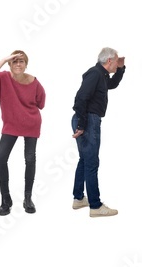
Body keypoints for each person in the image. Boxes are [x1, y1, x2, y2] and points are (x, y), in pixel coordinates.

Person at [0, 50, 46, 216]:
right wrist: (4, 59)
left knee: (30, 158)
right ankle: (5, 199)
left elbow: (41, 102)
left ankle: (28, 198)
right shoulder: (3, 78)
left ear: (26, 64)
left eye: (21, 62)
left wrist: (26, 109)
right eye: (14, 62)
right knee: (1, 157)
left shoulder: (34, 81)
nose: (18, 64)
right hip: (11, 125)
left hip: (31, 124)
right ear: (10, 64)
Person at [70, 47, 125, 218]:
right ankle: (95, 206)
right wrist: (81, 124)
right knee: (92, 162)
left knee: (85, 160)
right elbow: (80, 97)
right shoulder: (95, 74)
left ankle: (79, 198)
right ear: (109, 61)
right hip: (88, 120)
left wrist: (121, 68)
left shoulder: (101, 75)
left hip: (87, 120)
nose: (116, 64)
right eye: (116, 61)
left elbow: (113, 84)